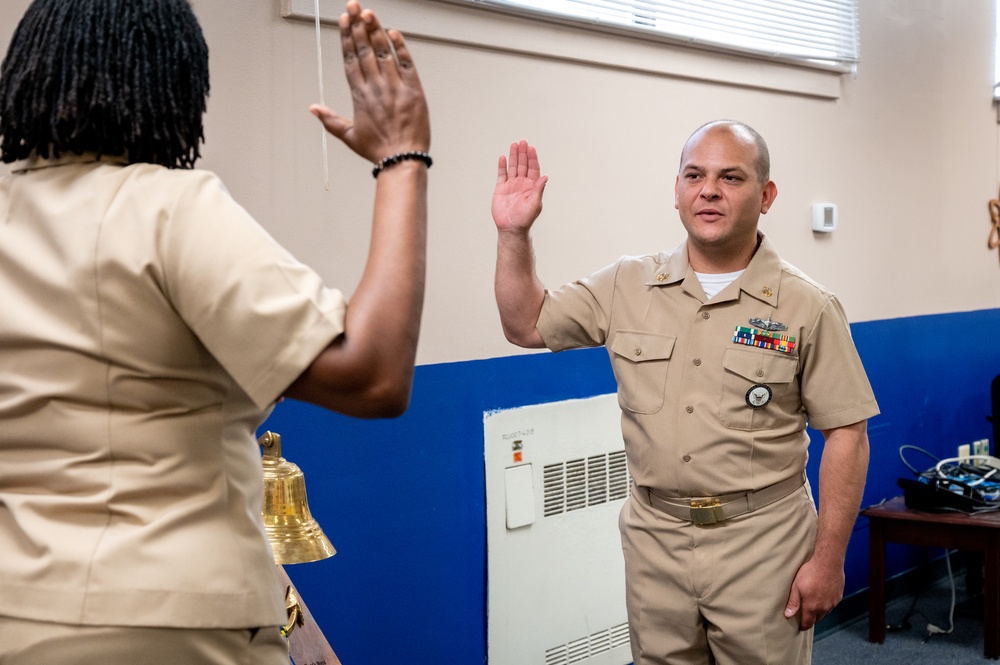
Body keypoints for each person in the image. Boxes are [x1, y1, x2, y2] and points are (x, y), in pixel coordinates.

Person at [0, 0, 429, 663]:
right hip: (169, 625)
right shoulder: (165, 207)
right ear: (172, 84)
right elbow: (372, 375)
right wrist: (402, 157)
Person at [491, 125, 878, 665]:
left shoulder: (806, 306)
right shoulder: (627, 284)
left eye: (731, 177)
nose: (709, 190)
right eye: (695, 175)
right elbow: (525, 324)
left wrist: (829, 558)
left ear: (766, 196)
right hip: (656, 541)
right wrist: (513, 235)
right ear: (677, 191)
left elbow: (847, 434)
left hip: (763, 544)